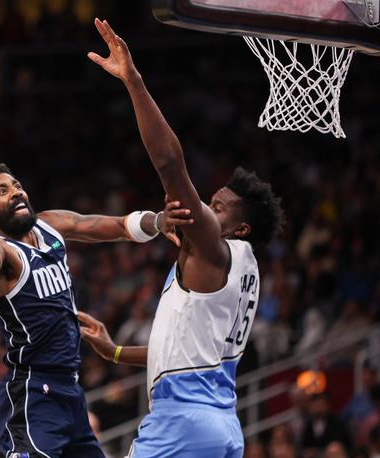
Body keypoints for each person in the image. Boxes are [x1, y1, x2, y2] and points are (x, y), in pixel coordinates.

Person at [80, 18, 285, 457]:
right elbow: (177, 355)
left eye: (217, 207)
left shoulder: (215, 249)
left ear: (240, 228)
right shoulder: (238, 269)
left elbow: (170, 164)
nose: (205, 212)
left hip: (183, 423)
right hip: (221, 426)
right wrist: (114, 352)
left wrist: (133, 82)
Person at [0, 153, 192, 457]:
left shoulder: (48, 224)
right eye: (1, 191)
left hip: (70, 390)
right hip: (33, 392)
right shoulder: (1, 253)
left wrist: (157, 220)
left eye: (15, 185)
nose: (16, 192)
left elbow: (112, 225)